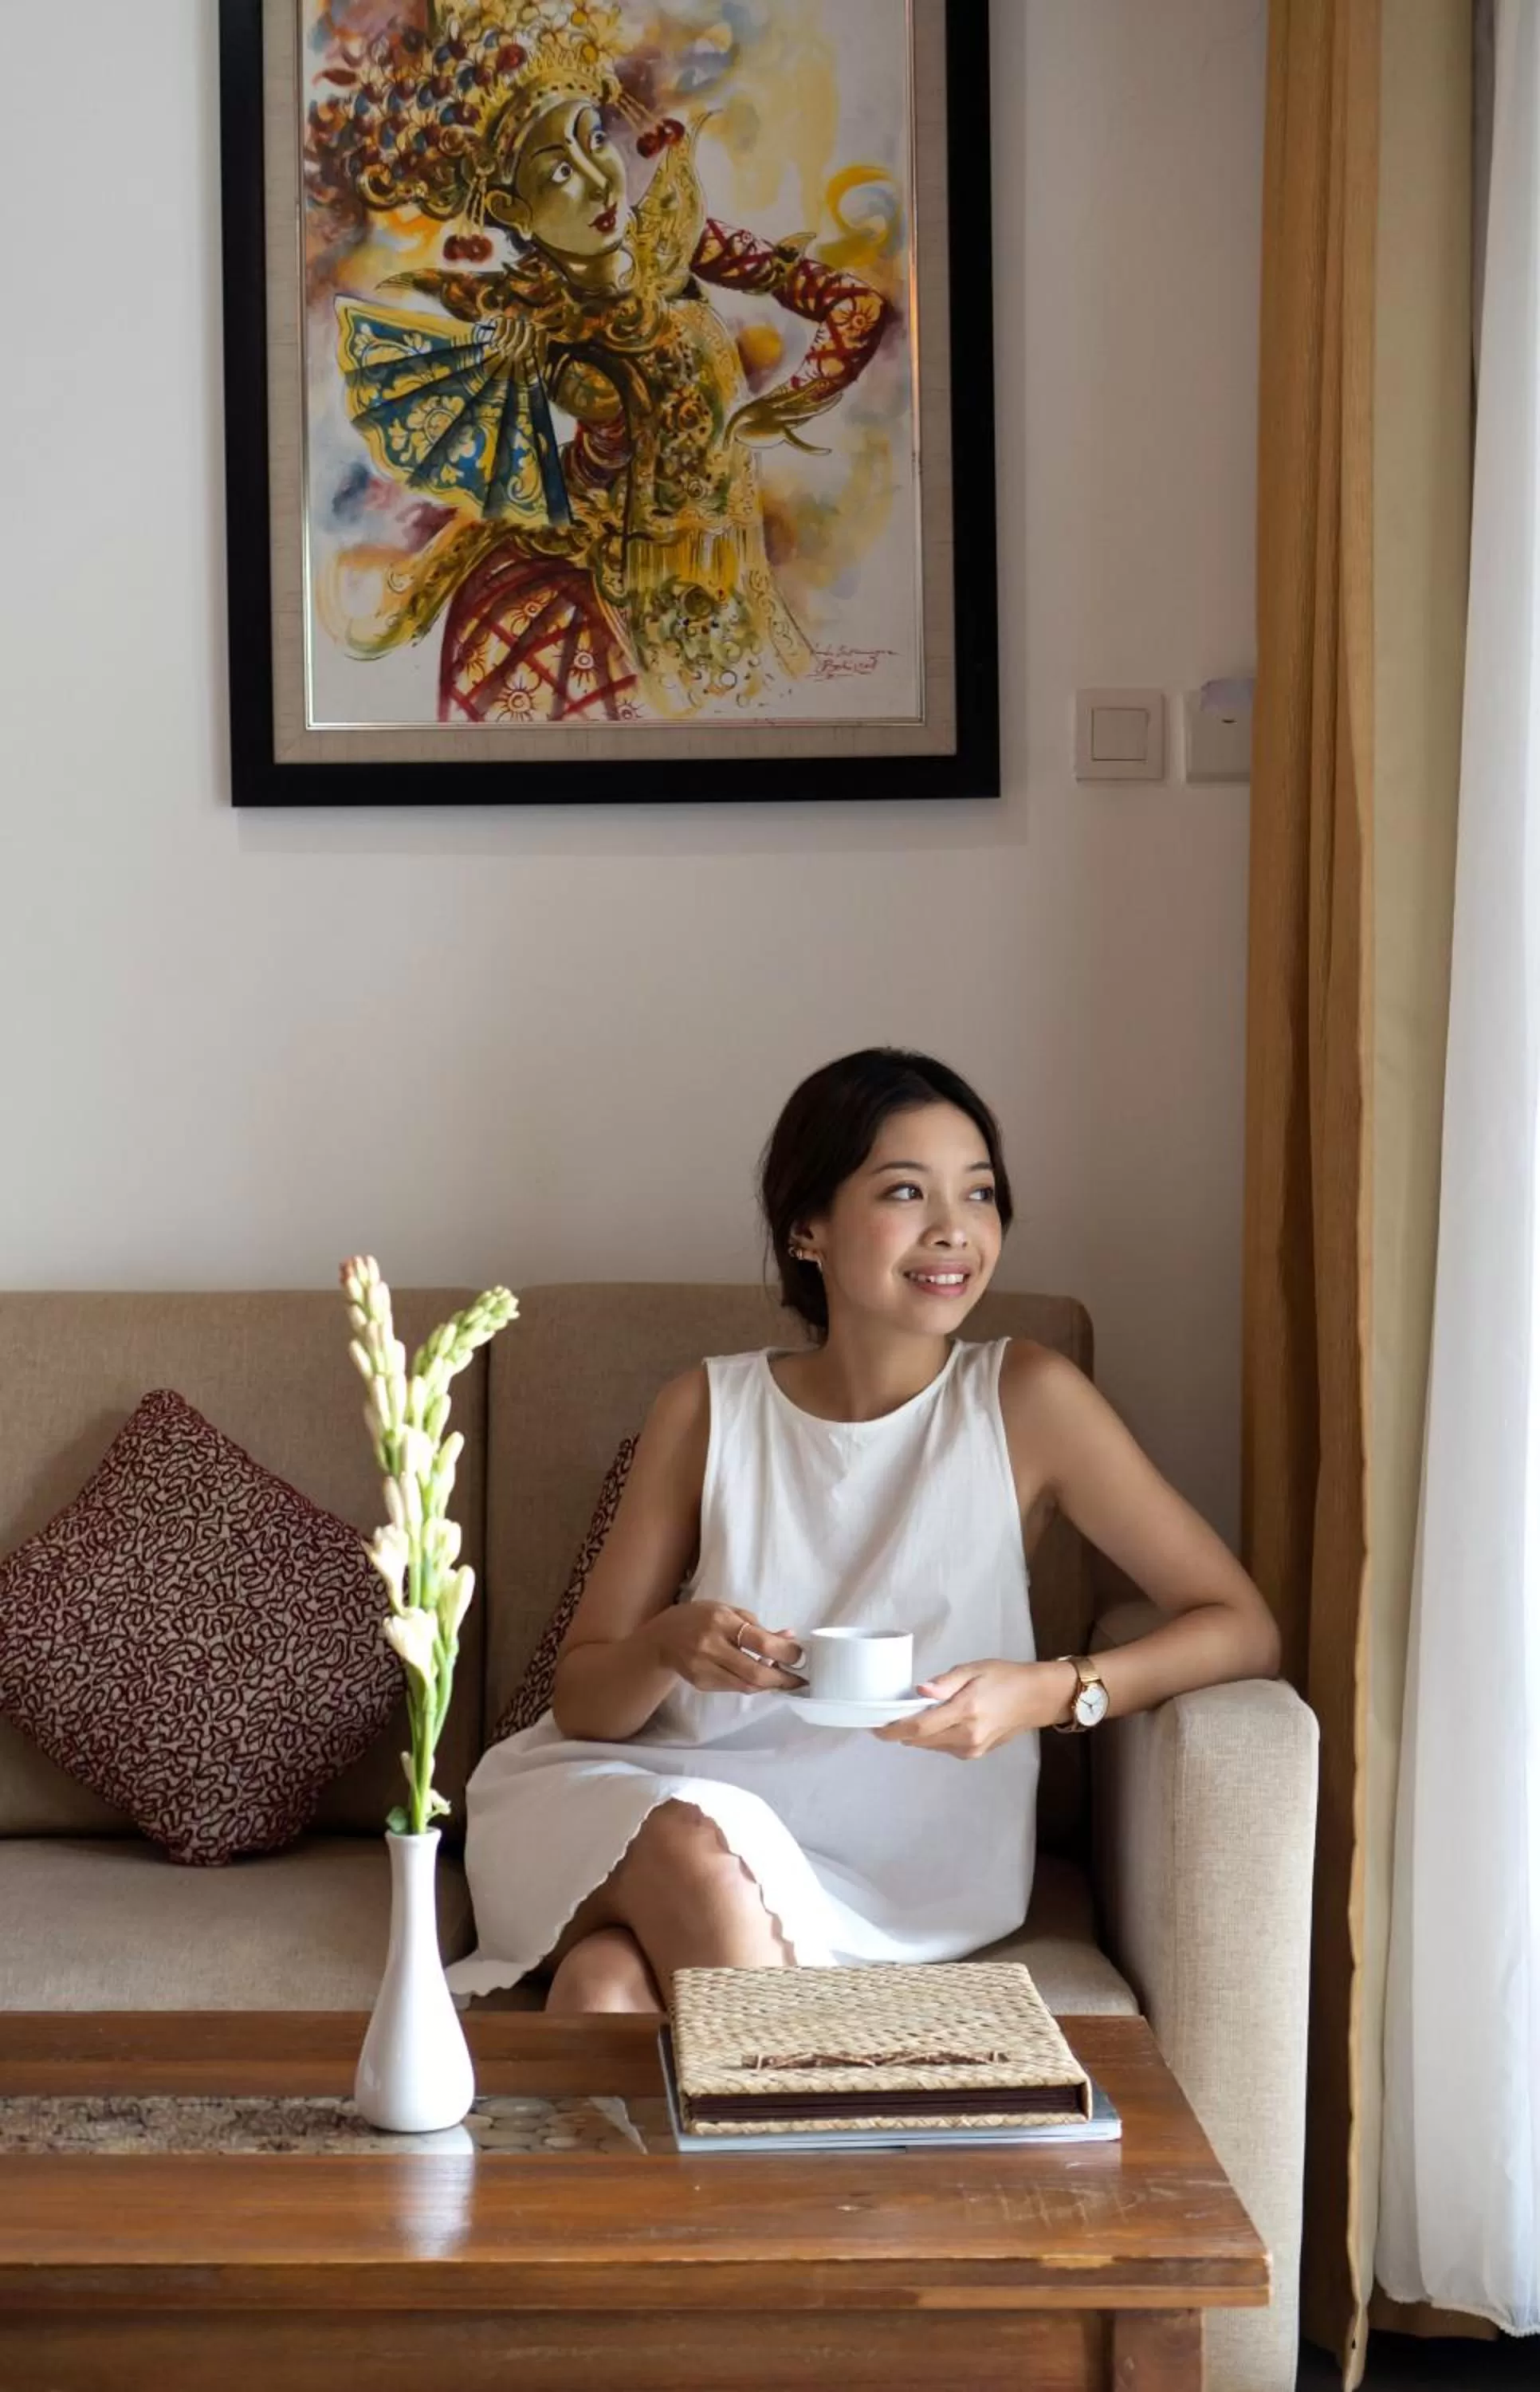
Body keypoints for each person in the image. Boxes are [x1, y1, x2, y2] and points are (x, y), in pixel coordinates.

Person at [446, 1047, 1281, 2016]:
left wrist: (1053, 1693)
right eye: (905, 1192)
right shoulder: (707, 1409)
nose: (954, 1232)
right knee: (678, 1861)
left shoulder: (1029, 1400)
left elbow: (1241, 1624)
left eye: (979, 1194)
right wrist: (668, 1646)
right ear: (808, 1229)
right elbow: (586, 1702)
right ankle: (810, 2134)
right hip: (657, 1799)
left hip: (906, 1855)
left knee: (605, 1991)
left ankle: (755, 2134)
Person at [305, 0, 894, 722]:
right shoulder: (536, 325)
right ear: (510, 208)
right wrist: (548, 378)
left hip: (734, 595)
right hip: (617, 602)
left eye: (592, 138)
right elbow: (592, 470)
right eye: (556, 174)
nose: (597, 178)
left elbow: (853, 305)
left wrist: (797, 395)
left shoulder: (678, 241)